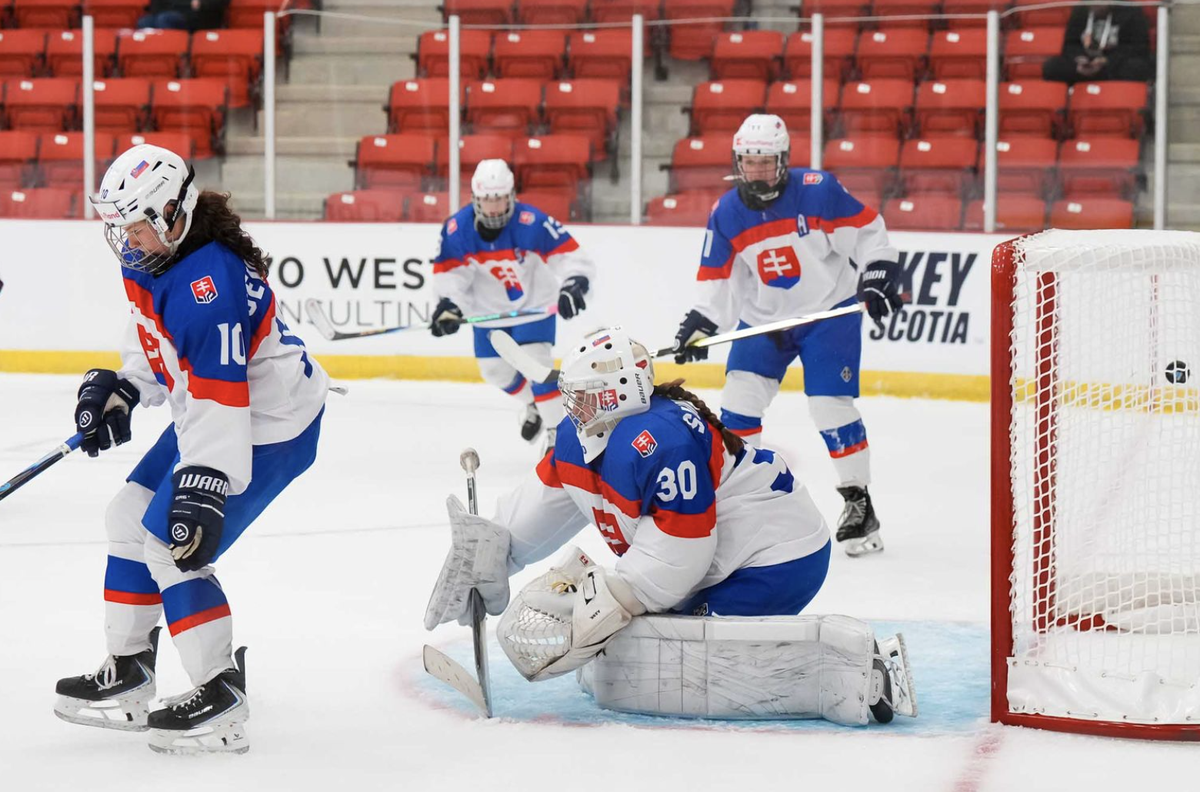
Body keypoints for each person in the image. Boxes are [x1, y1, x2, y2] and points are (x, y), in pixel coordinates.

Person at [423, 327, 915, 725]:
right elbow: (545, 506)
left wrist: (613, 599)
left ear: (617, 394)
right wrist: (495, 546)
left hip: (776, 558)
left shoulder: (660, 440)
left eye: (584, 397)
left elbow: (683, 549)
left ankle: (857, 669)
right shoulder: (582, 436)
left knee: (679, 665)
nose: (573, 410)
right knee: (631, 654)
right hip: (719, 559)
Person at [53, 144, 329, 755]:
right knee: (126, 519)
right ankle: (130, 671)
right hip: (218, 412)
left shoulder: (211, 286)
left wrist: (205, 483)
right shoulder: (153, 255)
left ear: (174, 213)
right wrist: (125, 387)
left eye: (138, 224)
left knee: (173, 546)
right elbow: (158, 341)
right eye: (120, 226)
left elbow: (220, 397)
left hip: (270, 426)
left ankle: (219, 692)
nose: (127, 239)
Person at [670, 113, 902, 557]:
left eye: (765, 161)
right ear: (738, 161)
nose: (756, 170)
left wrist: (878, 271)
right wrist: (701, 322)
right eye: (748, 161)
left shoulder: (818, 189)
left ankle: (858, 501)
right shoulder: (726, 212)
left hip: (827, 314)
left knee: (829, 407)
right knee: (738, 402)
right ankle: (741, 500)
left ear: (784, 160)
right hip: (765, 321)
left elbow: (870, 234)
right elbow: (715, 281)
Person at [431, 159, 594, 451]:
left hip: (533, 308)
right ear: (475, 198)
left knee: (537, 368)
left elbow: (572, 257)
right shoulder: (457, 229)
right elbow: (451, 276)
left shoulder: (532, 222)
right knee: (494, 372)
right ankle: (534, 404)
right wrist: (449, 305)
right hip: (487, 314)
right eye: (487, 200)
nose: (493, 207)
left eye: (500, 199)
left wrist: (574, 284)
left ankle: (559, 440)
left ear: (512, 196)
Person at [1042, 4, 1153, 84]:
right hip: (1085, 64)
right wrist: (1079, 58)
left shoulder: (1131, 11)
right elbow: (1070, 44)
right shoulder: (1080, 11)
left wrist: (1107, 61)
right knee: (1052, 66)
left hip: (1113, 65)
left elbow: (1138, 47)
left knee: (1138, 67)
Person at [137, 0, 229, 31]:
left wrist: (202, 3)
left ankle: (173, 54)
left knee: (164, 19)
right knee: (144, 22)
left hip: (199, 16)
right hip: (175, 11)